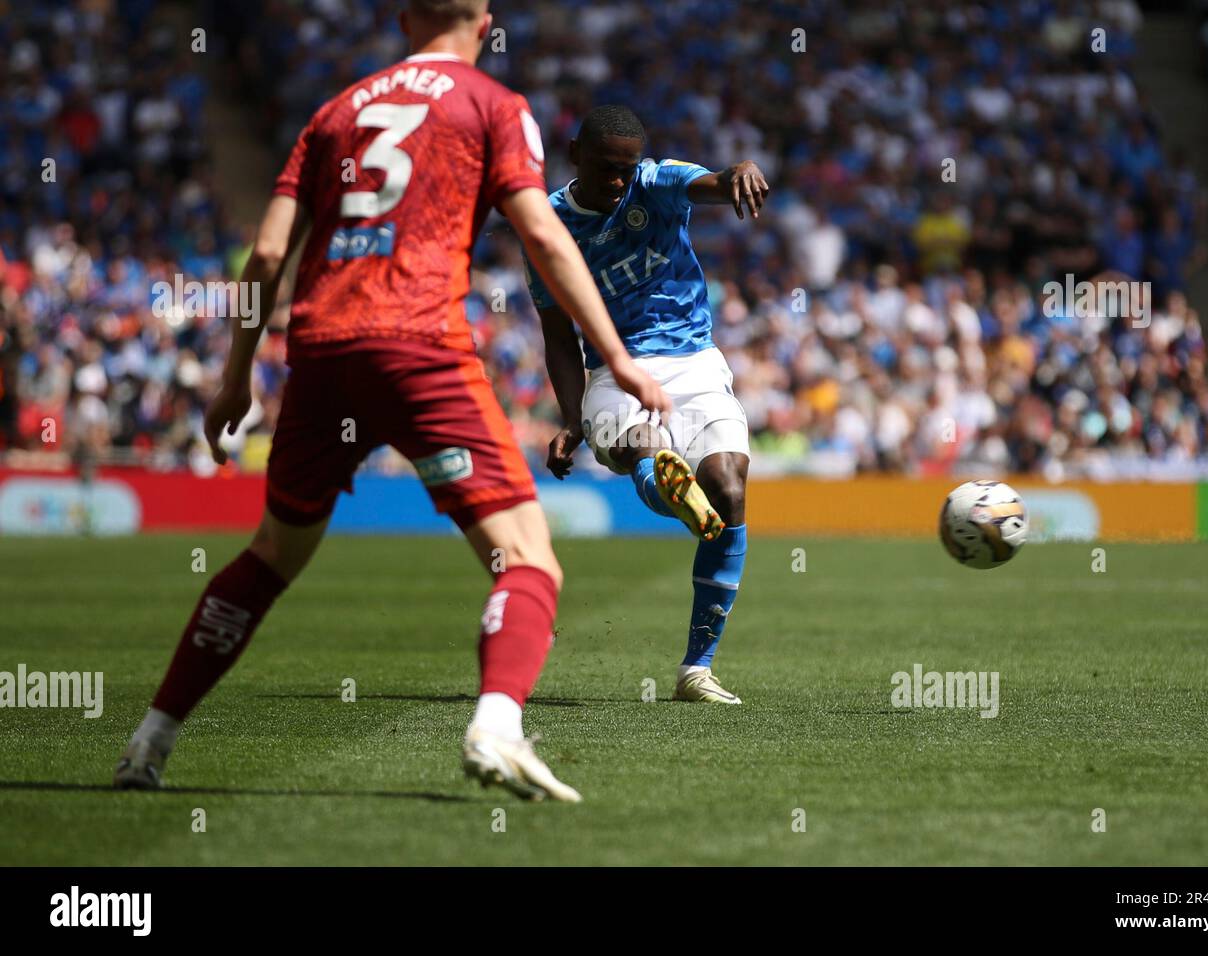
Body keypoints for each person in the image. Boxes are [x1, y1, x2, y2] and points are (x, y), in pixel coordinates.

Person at [113, 0, 669, 803]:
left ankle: (149, 741)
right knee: (529, 559)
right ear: (483, 26)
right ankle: (496, 725)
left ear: (404, 19)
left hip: (320, 352)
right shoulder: (493, 106)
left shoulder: (334, 112)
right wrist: (616, 356)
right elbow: (545, 237)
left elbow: (266, 253)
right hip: (418, 347)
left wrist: (236, 375)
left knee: (271, 555)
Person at [527, 105, 768, 705]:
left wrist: (737, 169)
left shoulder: (654, 180)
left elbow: (706, 184)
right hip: (613, 367)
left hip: (694, 361)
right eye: (607, 168)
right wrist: (569, 416)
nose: (618, 181)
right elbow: (559, 336)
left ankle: (697, 671)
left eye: (626, 169)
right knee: (644, 447)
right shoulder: (548, 227)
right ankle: (666, 487)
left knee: (730, 487)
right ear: (576, 151)